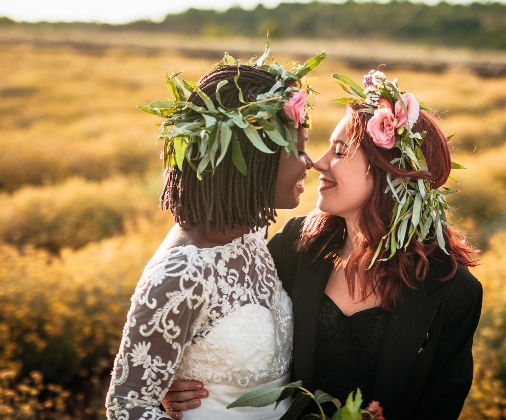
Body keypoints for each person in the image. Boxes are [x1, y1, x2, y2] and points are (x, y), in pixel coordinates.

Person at [163, 69, 482, 420]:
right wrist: (179, 378)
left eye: (340, 151)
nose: (318, 162)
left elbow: (438, 409)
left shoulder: (453, 292)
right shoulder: (296, 246)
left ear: (390, 172)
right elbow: (217, 314)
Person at [105, 48, 325, 420]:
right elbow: (126, 405)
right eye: (298, 151)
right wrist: (160, 392)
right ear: (254, 157)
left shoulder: (253, 231)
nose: (310, 163)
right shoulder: (182, 273)